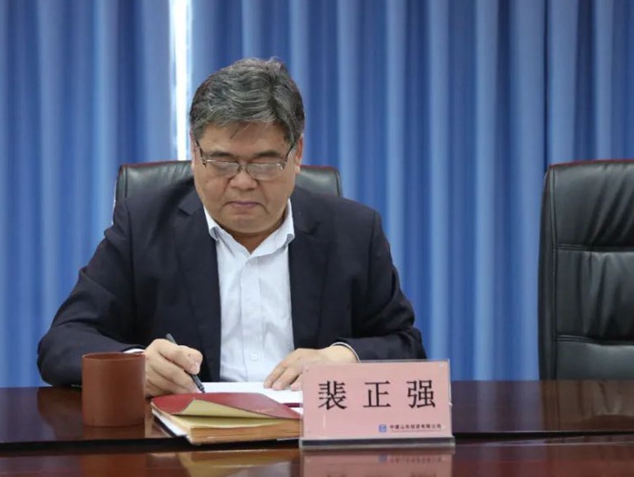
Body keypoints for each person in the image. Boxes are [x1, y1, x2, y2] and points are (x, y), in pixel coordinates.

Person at [37, 58, 425, 396]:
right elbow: (62, 342)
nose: (242, 182)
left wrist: (344, 358)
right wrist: (135, 364)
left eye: (263, 163)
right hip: (186, 444)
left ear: (297, 156)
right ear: (195, 153)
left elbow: (406, 346)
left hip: (310, 440)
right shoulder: (143, 226)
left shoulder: (353, 231)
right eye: (222, 162)